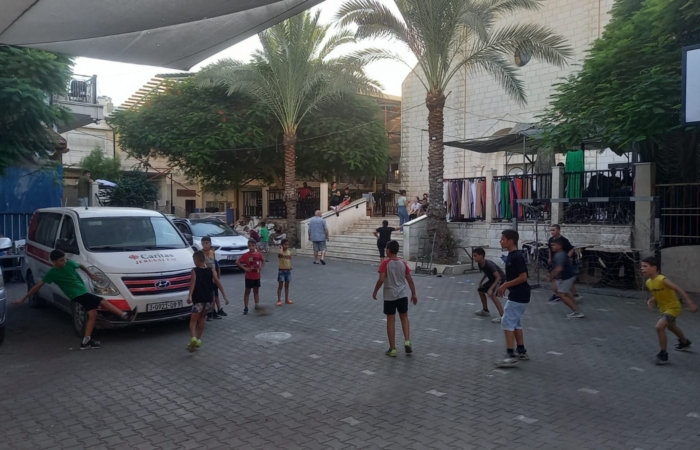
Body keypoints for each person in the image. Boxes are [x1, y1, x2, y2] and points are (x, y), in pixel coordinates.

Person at [14, 249, 134, 349]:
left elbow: (81, 265)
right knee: (102, 301)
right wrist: (23, 298)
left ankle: (86, 342)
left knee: (92, 314)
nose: (64, 262)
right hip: (77, 295)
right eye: (61, 260)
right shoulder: (52, 273)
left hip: (82, 291)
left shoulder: (69, 263)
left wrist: (90, 274)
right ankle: (124, 316)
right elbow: (37, 286)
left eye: (64, 259)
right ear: (54, 262)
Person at [641, 256, 697, 365]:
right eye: (641, 266)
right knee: (671, 327)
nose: (642, 269)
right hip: (664, 309)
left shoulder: (662, 279)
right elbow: (658, 293)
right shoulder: (648, 282)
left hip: (673, 308)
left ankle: (663, 354)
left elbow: (678, 289)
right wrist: (652, 299)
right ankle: (685, 342)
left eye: (645, 266)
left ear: (654, 268)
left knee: (659, 327)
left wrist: (690, 303)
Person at [372, 240, 417, 357]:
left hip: (389, 296)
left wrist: (375, 290)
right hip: (402, 295)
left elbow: (381, 279)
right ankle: (407, 341)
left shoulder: (385, 263)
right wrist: (414, 293)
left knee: (391, 321)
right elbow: (410, 280)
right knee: (404, 317)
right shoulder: (403, 263)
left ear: (387, 250)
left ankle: (392, 349)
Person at [495, 230, 531, 367]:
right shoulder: (511, 255)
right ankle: (521, 351)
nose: (500, 241)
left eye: (503, 239)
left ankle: (510, 354)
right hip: (518, 294)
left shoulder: (516, 257)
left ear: (511, 241)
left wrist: (505, 285)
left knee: (507, 321)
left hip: (519, 294)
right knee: (515, 322)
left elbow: (523, 277)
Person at [187, 251, 229, 352]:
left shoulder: (194, 271)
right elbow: (218, 282)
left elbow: (192, 283)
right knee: (202, 318)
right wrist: (224, 296)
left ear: (197, 259)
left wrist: (189, 296)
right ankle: (199, 339)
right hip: (209, 300)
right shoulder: (211, 270)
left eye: (194, 260)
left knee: (193, 320)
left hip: (198, 300)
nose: (194, 262)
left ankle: (193, 338)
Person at [549, 238, 584, 319]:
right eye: (551, 245)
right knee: (565, 293)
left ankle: (577, 312)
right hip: (565, 277)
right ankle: (575, 307)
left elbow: (559, 268)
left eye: (554, 245)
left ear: (559, 246)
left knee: (561, 295)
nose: (552, 247)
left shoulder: (560, 255)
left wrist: (551, 276)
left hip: (566, 277)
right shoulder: (559, 254)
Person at [547, 224, 579, 302]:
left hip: (562, 263)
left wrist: (567, 258)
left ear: (558, 230)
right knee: (561, 279)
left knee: (565, 278)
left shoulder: (564, 240)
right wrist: (550, 258)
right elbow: (549, 249)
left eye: (553, 230)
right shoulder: (550, 239)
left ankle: (571, 294)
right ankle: (558, 294)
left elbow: (571, 249)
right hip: (555, 261)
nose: (552, 232)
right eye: (551, 230)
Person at [473, 247, 505, 323]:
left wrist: (491, 289)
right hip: (493, 279)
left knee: (492, 295)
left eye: (475, 256)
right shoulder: (480, 264)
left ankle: (503, 316)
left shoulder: (489, 264)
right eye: (473, 256)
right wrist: (481, 282)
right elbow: (486, 272)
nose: (474, 258)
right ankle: (485, 310)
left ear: (481, 255)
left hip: (501, 280)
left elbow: (498, 277)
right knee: (480, 290)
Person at [201, 236, 228, 320]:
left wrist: (216, 276)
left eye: (207, 243)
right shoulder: (200, 253)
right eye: (203, 243)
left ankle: (215, 311)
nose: (205, 245)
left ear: (210, 243)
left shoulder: (212, 252)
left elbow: (214, 264)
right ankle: (209, 312)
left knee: (215, 294)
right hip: (205, 277)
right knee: (210, 296)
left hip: (213, 276)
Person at [236, 239, 265, 315]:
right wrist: (245, 268)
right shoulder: (246, 255)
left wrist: (261, 267)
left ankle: (257, 305)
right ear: (248, 246)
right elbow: (237, 262)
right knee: (247, 292)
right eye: (249, 246)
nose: (251, 247)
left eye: (253, 245)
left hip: (257, 276)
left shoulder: (258, 254)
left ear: (255, 246)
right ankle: (246, 307)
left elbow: (263, 260)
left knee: (256, 291)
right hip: (249, 277)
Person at [277, 239, 294, 307]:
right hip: (281, 271)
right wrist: (281, 248)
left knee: (287, 286)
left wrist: (290, 266)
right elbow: (280, 254)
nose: (286, 246)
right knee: (280, 286)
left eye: (287, 245)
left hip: (288, 271)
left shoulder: (289, 252)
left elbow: (289, 260)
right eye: (285, 245)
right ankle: (279, 300)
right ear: (282, 245)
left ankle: (287, 299)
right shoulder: (280, 252)